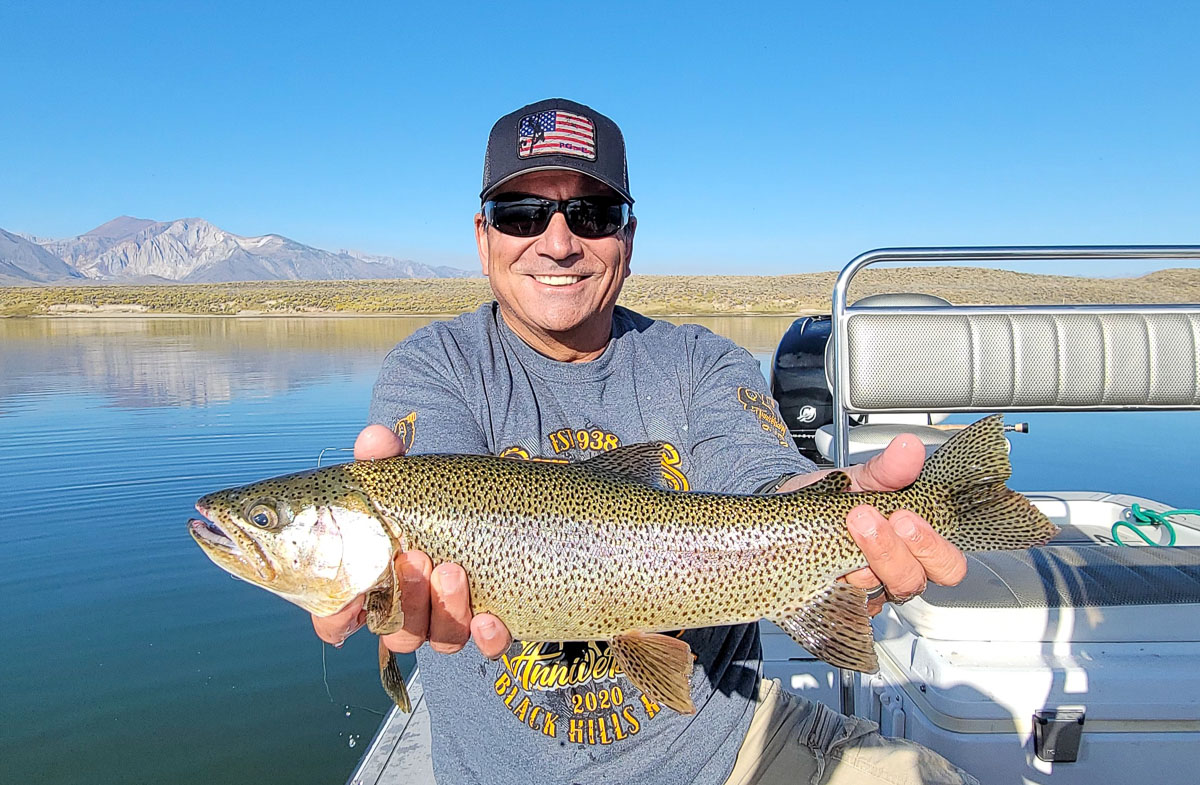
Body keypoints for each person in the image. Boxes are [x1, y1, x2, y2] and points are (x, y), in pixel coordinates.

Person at [313, 98, 976, 785]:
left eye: (592, 215)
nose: (559, 241)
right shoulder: (433, 367)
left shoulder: (703, 362)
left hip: (730, 754)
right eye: (522, 213)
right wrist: (377, 594)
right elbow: (435, 499)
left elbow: (765, 482)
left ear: (627, 238)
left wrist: (844, 515)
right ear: (483, 238)